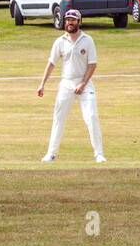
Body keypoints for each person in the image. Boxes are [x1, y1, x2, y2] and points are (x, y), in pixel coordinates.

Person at [38, 8, 105, 163]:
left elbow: (92, 65)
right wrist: (42, 84)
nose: (70, 22)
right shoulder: (60, 41)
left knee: (92, 117)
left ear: (79, 22)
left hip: (85, 84)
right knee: (58, 118)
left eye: (73, 20)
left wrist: (82, 83)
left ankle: (99, 154)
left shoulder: (88, 40)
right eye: (68, 19)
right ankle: (51, 154)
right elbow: (51, 63)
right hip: (66, 83)